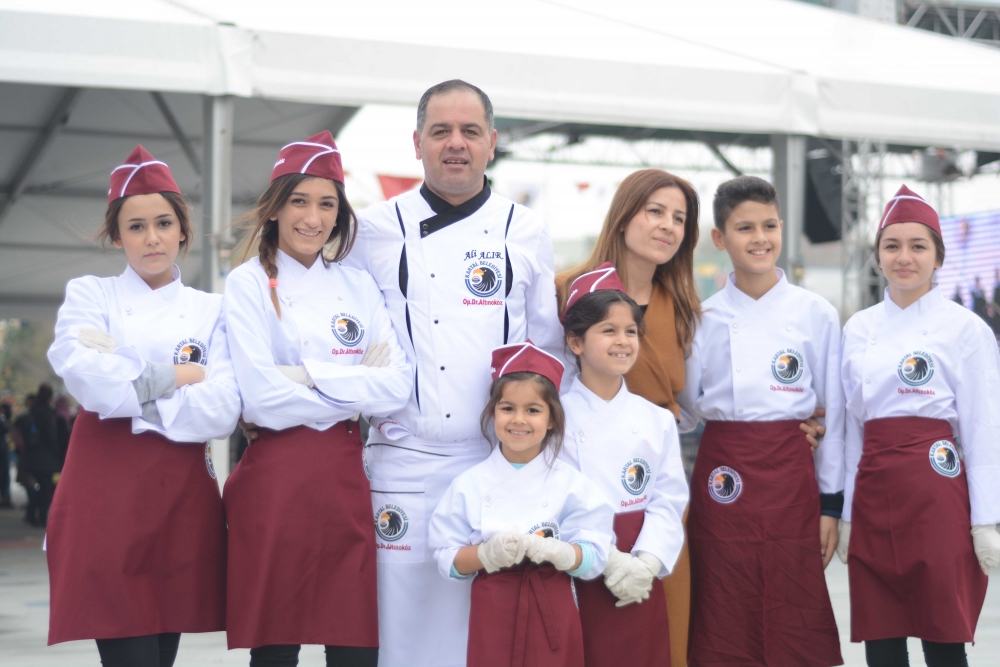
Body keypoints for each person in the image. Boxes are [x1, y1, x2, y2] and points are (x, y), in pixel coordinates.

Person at [555, 169, 826, 666]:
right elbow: (537, 387)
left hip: (654, 490)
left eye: (679, 218)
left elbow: (689, 404)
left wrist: (796, 425)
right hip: (578, 486)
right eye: (655, 211)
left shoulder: (681, 306)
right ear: (624, 215)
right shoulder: (566, 290)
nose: (668, 225)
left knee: (670, 631)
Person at [342, 79, 563, 666]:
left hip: (498, 467)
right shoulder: (372, 229)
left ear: (492, 142)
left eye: (470, 131)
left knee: (489, 630)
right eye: (441, 131)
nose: (456, 144)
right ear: (417, 143)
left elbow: (547, 349)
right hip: (401, 464)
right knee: (399, 630)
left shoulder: (526, 229)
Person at [45, 146, 241, 666]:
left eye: (163, 223)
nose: (151, 237)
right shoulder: (92, 294)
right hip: (105, 499)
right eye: (136, 227)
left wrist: (130, 384)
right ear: (117, 236)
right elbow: (86, 379)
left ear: (182, 230)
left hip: (182, 500)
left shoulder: (213, 309)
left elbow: (224, 409)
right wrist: (181, 376)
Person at [223, 131, 411, 667]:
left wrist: (305, 376)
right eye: (299, 201)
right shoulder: (247, 284)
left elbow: (397, 387)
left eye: (327, 204)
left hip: (346, 483)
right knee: (275, 649)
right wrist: (355, 385)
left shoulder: (358, 286)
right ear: (275, 208)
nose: (313, 218)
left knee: (356, 646)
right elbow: (261, 402)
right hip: (274, 485)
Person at [677, 175, 844, 667]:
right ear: (719, 238)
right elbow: (685, 409)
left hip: (792, 472)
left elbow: (832, 414)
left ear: (782, 229)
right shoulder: (701, 318)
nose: (760, 239)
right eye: (745, 228)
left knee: (794, 602)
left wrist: (831, 505)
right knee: (723, 598)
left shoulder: (816, 313)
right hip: (723, 472)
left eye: (769, 226)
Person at [837, 185, 1000, 667]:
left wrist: (985, 519)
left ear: (938, 257)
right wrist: (846, 512)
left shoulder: (966, 328)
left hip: (937, 493)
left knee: (943, 637)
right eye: (892, 246)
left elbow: (983, 428)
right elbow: (851, 430)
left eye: (918, 246)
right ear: (878, 256)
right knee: (881, 639)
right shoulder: (858, 328)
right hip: (873, 492)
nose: (904, 257)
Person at [428, 341, 614, 667]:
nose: (519, 420)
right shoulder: (470, 484)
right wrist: (485, 554)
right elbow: (446, 557)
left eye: (533, 410)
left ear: (552, 419)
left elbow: (596, 555)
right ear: (493, 413)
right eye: (507, 408)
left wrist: (560, 552)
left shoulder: (571, 484)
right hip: (492, 608)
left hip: (552, 604)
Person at [559, 264, 688, 666]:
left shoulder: (657, 419)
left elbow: (668, 499)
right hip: (580, 565)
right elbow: (554, 499)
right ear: (575, 342)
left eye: (631, 331)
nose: (623, 341)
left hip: (640, 574)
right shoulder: (555, 419)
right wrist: (609, 559)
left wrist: (646, 563)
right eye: (608, 330)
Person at [21, 383, 67, 526]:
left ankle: (31, 513)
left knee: (39, 487)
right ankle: (41, 517)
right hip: (46, 458)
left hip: (31, 456)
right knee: (46, 489)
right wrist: (59, 453)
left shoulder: (32, 411)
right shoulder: (48, 413)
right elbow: (51, 436)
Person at [0, 403, 11, 508]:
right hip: (2, 450)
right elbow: (7, 429)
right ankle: (5, 497)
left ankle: (5, 497)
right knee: (4, 474)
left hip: (3, 449)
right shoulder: (2, 419)